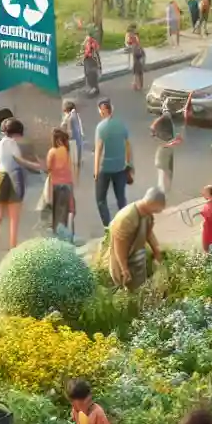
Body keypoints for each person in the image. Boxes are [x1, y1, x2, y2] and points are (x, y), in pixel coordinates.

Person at [0, 118, 42, 249]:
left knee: (0, 214)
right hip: (13, 181)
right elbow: (21, 161)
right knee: (14, 218)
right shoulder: (12, 144)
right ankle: (13, 249)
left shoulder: (1, 142)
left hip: (0, 180)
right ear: (16, 133)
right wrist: (38, 166)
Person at [107, 187, 166, 290]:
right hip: (123, 260)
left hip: (137, 257)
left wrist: (157, 250)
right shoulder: (127, 218)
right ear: (152, 204)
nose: (158, 212)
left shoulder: (147, 215)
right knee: (128, 289)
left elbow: (149, 234)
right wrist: (124, 269)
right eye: (158, 209)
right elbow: (119, 245)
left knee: (141, 287)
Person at [93, 99, 132, 228]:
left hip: (105, 168)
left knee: (100, 199)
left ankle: (108, 227)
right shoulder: (121, 125)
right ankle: (124, 225)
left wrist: (96, 170)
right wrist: (128, 164)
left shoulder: (101, 127)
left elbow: (98, 149)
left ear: (103, 111)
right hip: (120, 167)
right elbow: (127, 145)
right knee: (121, 198)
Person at [150, 98, 186, 196]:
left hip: (165, 153)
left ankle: (164, 195)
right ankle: (162, 198)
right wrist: (173, 141)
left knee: (165, 177)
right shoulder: (166, 116)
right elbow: (153, 126)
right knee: (164, 179)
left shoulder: (168, 118)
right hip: (164, 155)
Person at [61, 99, 85, 175]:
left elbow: (65, 129)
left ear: (66, 110)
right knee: (76, 164)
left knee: (72, 165)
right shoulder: (76, 116)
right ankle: (76, 178)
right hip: (79, 142)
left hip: (73, 143)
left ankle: (73, 180)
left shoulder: (69, 117)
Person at [80, 31, 101, 97]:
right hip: (88, 59)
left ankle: (93, 88)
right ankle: (93, 88)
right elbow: (84, 49)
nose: (86, 37)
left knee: (91, 74)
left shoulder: (92, 42)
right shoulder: (88, 41)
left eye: (87, 35)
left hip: (91, 59)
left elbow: (93, 51)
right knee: (88, 73)